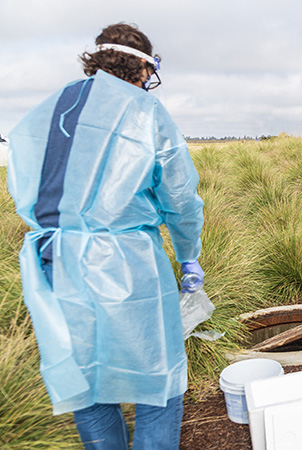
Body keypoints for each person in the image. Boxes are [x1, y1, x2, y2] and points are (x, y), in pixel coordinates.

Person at [7, 23, 204, 449]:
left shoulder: (50, 107)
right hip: (127, 262)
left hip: (53, 264)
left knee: (86, 381)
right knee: (160, 382)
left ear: (95, 61)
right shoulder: (144, 110)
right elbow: (180, 196)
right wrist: (189, 255)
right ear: (143, 70)